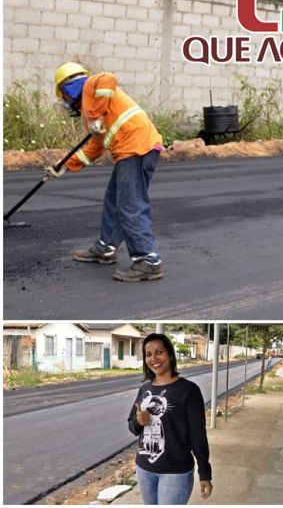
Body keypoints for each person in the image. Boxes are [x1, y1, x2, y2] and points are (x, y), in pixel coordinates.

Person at [46, 62, 164, 282]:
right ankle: (106, 247)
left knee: (130, 205)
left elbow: (107, 77)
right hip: (130, 151)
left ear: (69, 88)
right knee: (114, 200)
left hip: (136, 147)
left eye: (65, 96)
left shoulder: (92, 86)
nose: (66, 103)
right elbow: (94, 148)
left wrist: (97, 115)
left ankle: (149, 261)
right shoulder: (91, 112)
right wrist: (64, 165)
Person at [129, 333, 212, 505]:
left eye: (159, 352)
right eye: (148, 354)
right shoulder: (145, 389)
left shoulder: (189, 390)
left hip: (176, 473)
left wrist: (204, 472)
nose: (154, 358)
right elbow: (132, 427)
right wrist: (139, 421)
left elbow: (198, 435)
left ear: (170, 355)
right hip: (144, 469)